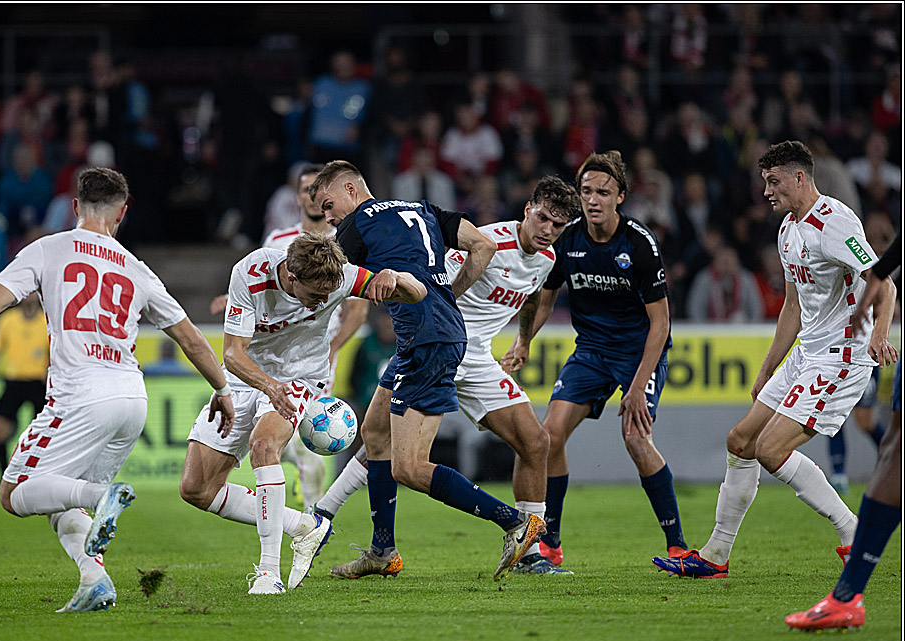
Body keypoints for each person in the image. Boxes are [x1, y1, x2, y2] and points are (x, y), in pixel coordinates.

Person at [0, 167, 236, 612]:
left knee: (15, 491)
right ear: (122, 213)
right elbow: (192, 338)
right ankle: (94, 579)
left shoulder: (47, 250)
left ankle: (102, 497)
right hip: (132, 399)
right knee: (62, 497)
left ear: (76, 207)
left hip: (81, 394)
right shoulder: (137, 269)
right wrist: (224, 390)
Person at [308, 175, 582, 576]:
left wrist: (524, 340)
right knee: (377, 432)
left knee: (535, 443)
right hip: (444, 339)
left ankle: (527, 545)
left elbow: (535, 294)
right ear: (528, 210)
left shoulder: (547, 259)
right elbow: (440, 267)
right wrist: (445, 299)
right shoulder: (490, 238)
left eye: (558, 226)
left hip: (450, 349)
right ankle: (357, 536)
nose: (548, 231)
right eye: (543, 219)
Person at [651, 141, 897, 579]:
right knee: (740, 441)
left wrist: (879, 334)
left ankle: (851, 531)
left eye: (773, 181)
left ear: (799, 177)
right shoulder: (787, 229)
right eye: (764, 182)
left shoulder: (835, 222)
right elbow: (792, 307)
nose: (765, 191)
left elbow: (885, 283)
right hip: (807, 353)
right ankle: (715, 554)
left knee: (770, 448)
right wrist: (768, 368)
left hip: (842, 356)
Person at [179, 233, 427, 594]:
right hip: (248, 374)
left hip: (301, 374)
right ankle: (304, 525)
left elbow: (418, 293)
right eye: (315, 295)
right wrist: (268, 386)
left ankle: (268, 573)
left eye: (329, 294)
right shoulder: (250, 272)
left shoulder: (341, 276)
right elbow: (233, 354)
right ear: (292, 278)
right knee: (196, 489)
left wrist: (396, 278)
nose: (323, 302)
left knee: (264, 445)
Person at [501, 151, 689, 568]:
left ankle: (677, 544)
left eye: (603, 192)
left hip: (638, 353)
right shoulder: (567, 239)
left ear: (620, 196)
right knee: (549, 435)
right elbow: (542, 299)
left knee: (636, 439)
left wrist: (638, 386)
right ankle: (550, 541)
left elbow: (661, 324)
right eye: (586, 190)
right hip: (591, 353)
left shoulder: (638, 244)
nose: (592, 199)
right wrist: (524, 341)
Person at [212, 163, 371, 508]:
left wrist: (333, 347)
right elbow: (255, 290)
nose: (313, 198)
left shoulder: (344, 244)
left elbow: (358, 309)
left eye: (319, 190)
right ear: (299, 197)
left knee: (307, 438)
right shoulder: (276, 244)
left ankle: (312, 510)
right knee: (285, 440)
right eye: (306, 190)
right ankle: (298, 511)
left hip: (314, 356)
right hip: (268, 356)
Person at [786, 231, 900, 631]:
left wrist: (876, 285)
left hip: (843, 353)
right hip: (834, 344)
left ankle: (847, 594)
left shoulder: (832, 223)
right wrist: (876, 284)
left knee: (892, 452)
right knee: (893, 452)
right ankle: (846, 596)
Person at [0, 292, 50, 479]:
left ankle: (40, 476)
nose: (30, 297)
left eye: (34, 293)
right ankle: (4, 477)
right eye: (27, 293)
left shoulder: (47, 321)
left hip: (38, 384)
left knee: (46, 437)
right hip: (13, 382)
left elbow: (55, 356)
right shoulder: (8, 320)